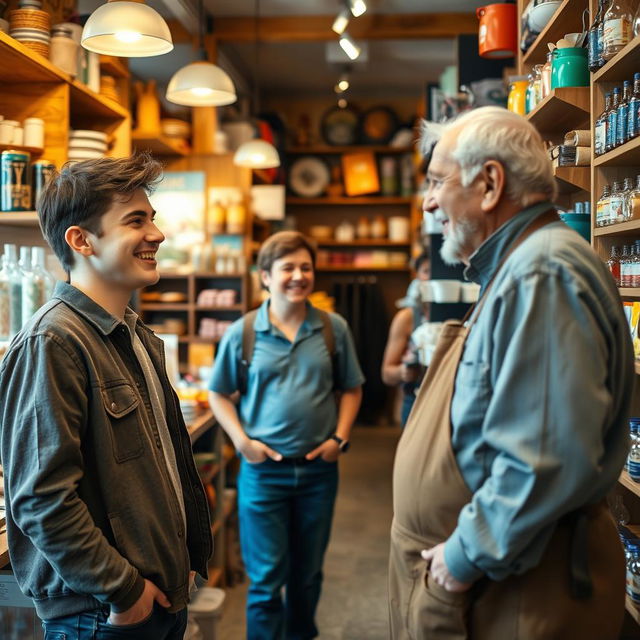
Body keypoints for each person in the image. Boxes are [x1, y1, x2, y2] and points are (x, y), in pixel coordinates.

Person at [389, 106, 634, 639]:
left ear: (490, 183)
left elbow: (544, 459)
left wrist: (460, 559)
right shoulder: (519, 268)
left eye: (436, 183)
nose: (429, 203)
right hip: (504, 579)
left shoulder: (540, 273)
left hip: (520, 587)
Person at [0, 154, 212, 640]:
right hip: (100, 615)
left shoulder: (132, 334)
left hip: (155, 599)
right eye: (135, 221)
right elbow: (41, 499)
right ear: (81, 240)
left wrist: (181, 561)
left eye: (152, 219)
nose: (156, 235)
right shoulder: (52, 343)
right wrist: (123, 590)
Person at [208, 230, 364, 640]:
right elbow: (218, 393)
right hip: (263, 475)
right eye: (288, 268)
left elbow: (352, 387)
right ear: (264, 276)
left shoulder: (334, 329)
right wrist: (242, 442)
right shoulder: (243, 332)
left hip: (317, 473)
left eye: (305, 267)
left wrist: (339, 440)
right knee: (264, 583)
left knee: (307, 576)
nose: (298, 276)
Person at [381, 249, 430, 426]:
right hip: (416, 400)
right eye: (426, 272)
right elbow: (387, 374)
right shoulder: (407, 318)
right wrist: (404, 371)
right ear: (417, 276)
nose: (431, 278)